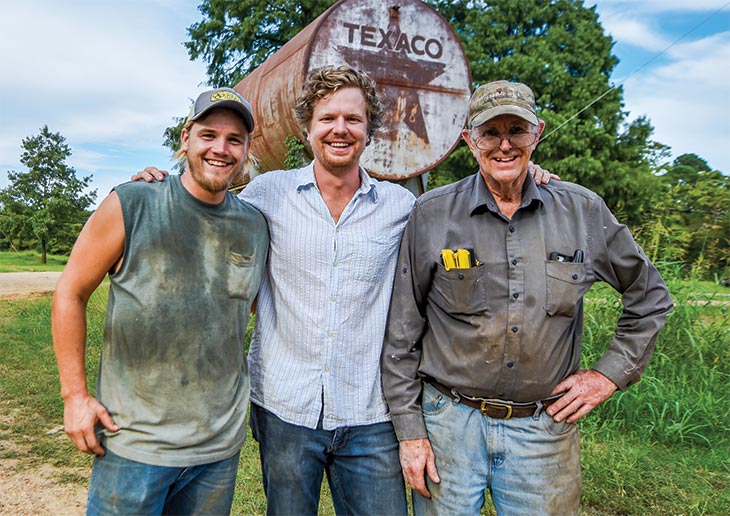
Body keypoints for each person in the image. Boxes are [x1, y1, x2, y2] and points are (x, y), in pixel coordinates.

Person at [134, 67, 553, 516]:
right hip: (284, 409)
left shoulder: (402, 208)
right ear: (308, 128)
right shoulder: (267, 194)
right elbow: (207, 208)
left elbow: (468, 218)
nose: (340, 129)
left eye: (352, 119)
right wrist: (163, 190)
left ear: (369, 130)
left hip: (371, 412)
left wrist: (526, 177)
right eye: (327, 118)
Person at [381, 80, 674, 515]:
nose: (503, 145)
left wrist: (608, 374)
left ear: (537, 133)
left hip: (543, 431)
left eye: (516, 131)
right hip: (449, 424)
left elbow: (650, 295)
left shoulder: (582, 210)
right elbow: (402, 332)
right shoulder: (432, 214)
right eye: (489, 132)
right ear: (468, 140)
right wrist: (410, 431)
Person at [52, 87, 269, 515]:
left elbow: (254, 309)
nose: (220, 149)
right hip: (134, 445)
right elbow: (70, 292)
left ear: (245, 151)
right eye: (209, 135)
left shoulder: (254, 225)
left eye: (234, 140)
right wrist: (74, 396)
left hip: (217, 450)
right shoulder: (132, 203)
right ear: (186, 137)